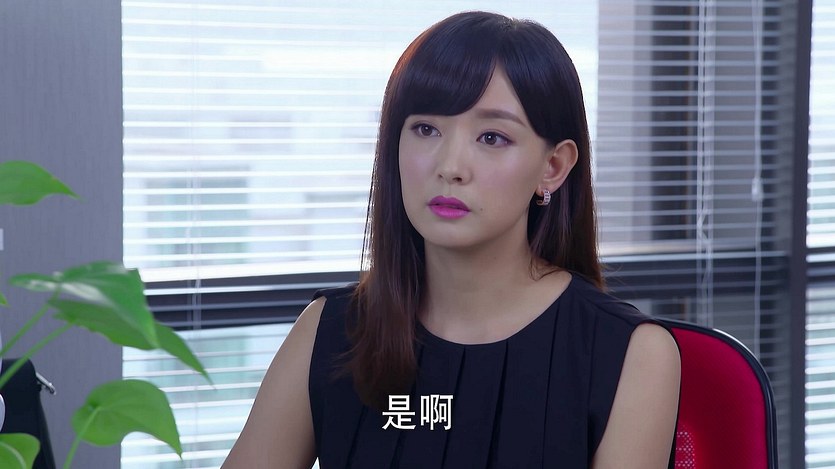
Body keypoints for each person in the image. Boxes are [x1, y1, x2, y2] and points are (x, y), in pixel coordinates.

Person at [222, 11, 680, 469]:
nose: (450, 166)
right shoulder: (330, 330)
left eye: (492, 137)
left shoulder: (632, 355)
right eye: (426, 129)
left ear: (553, 167)